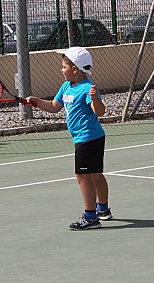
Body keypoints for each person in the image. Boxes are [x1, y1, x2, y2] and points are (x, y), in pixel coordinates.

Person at [27, 46, 112, 230]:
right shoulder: (66, 86)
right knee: (95, 174)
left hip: (88, 138)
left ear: (75, 69)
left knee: (83, 176)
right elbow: (53, 106)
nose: (61, 70)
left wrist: (95, 99)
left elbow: (100, 112)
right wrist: (36, 101)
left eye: (64, 66)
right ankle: (103, 210)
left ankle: (91, 217)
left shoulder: (88, 88)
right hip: (89, 138)